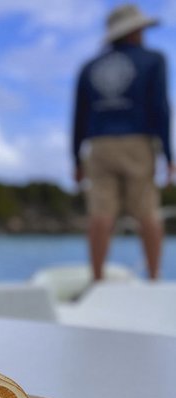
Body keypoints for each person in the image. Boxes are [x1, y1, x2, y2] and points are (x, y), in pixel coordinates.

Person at [72, 4, 174, 281]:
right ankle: (154, 278)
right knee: (147, 212)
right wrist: (168, 153)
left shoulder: (89, 67)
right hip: (137, 142)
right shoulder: (153, 60)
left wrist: (76, 159)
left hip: (99, 144)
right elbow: (161, 108)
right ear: (133, 31)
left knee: (100, 214)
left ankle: (97, 278)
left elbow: (79, 116)